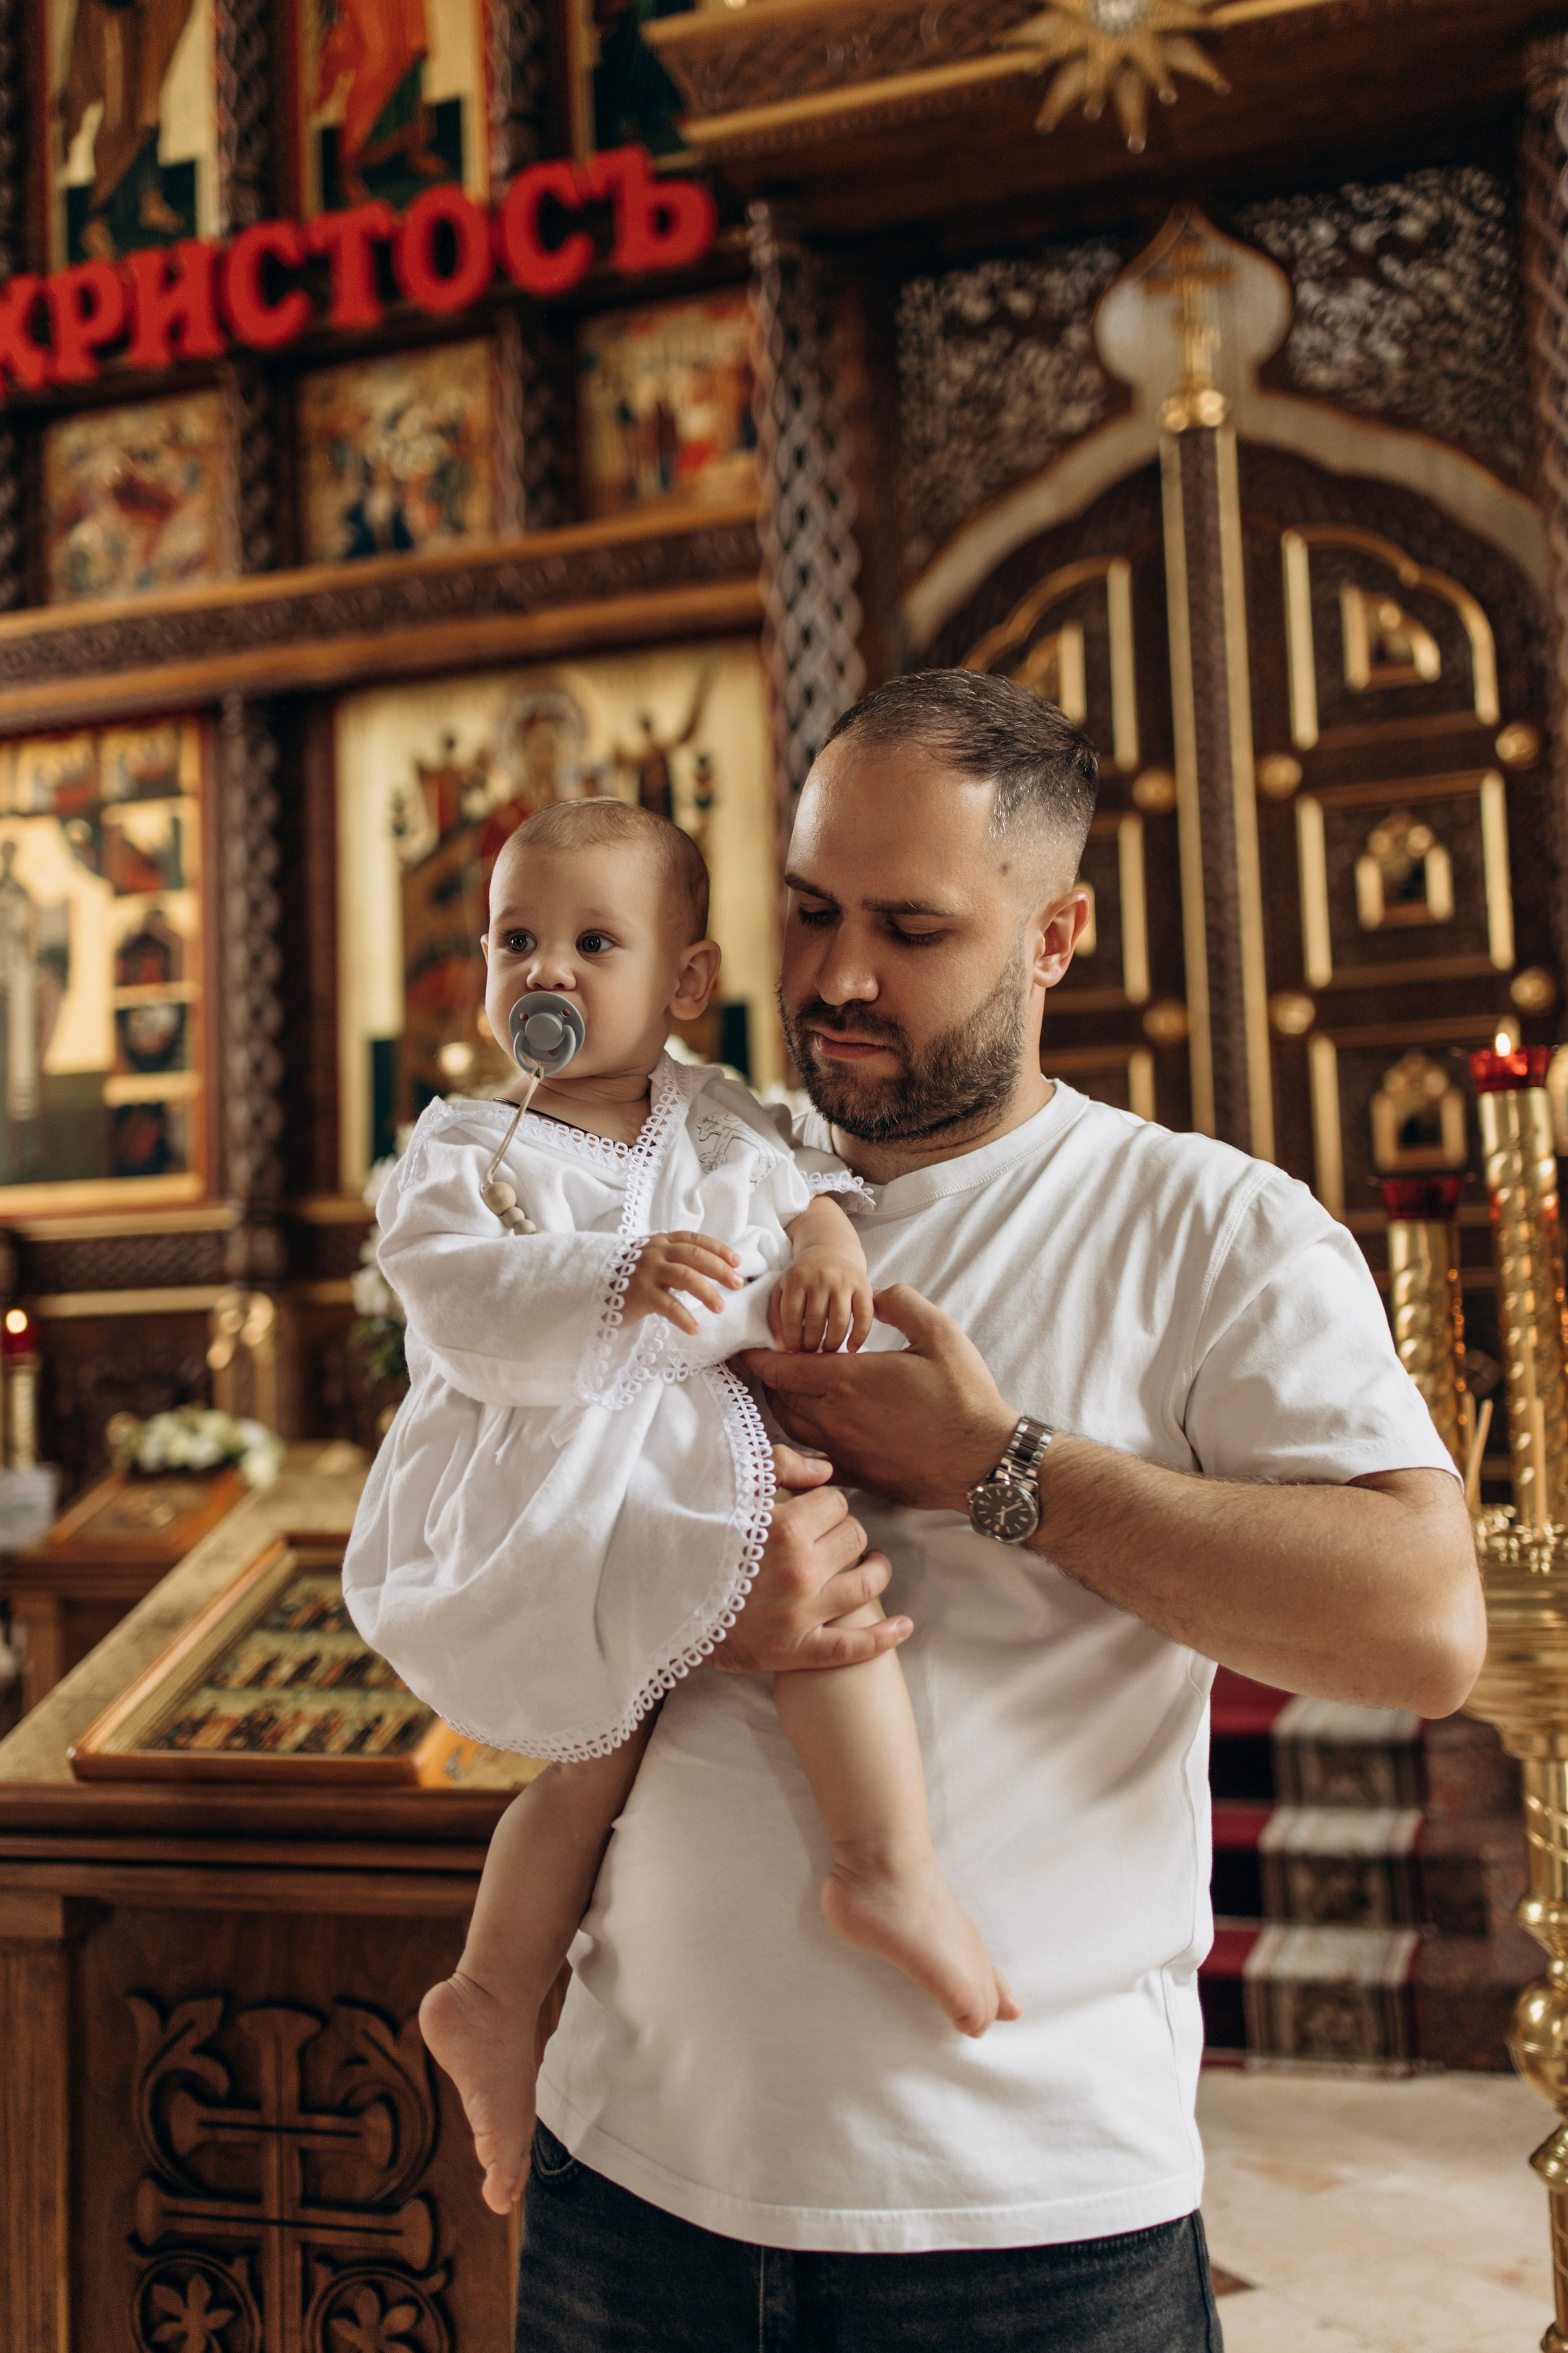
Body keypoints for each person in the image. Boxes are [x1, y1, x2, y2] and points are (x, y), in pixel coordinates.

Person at [510, 670, 1484, 2351]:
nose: (837, 977)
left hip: (1021, 2229)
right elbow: (485, 1576)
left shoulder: (1209, 1227)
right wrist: (673, 1605)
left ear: (1056, 935)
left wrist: (996, 1468)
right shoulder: (680, 1182)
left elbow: (1421, 1624)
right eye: (810, 911)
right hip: (630, 2180)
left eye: (914, 927)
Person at [342, 795, 1014, 2216]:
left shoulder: (712, 1112)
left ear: (686, 982)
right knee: (635, 1710)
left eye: (595, 941)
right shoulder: (469, 1147)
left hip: (698, 1436)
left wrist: (825, 1240)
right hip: (562, 1464)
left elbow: (800, 1183)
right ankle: (509, 1983)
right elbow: (454, 1295)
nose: (549, 973)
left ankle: (858, 1874)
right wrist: (605, 1281)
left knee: (783, 1637)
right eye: (516, 941)